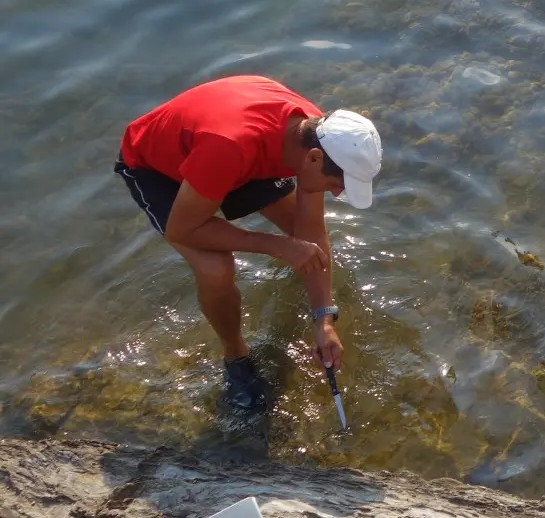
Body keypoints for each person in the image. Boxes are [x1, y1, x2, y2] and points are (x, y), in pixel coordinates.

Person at [115, 76, 383, 410]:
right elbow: (181, 231)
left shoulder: (317, 131)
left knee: (298, 232)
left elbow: (310, 229)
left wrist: (324, 320)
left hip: (233, 156)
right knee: (216, 267)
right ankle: (236, 356)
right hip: (160, 167)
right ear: (314, 159)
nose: (339, 193)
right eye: (336, 184)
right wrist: (276, 245)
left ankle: (315, 305)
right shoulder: (230, 147)